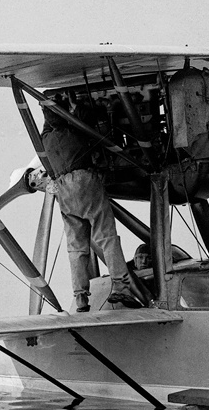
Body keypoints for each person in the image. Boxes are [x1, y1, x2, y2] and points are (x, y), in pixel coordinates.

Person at [40, 94, 139, 311]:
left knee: (76, 248)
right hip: (84, 181)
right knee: (107, 237)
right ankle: (121, 287)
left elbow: (51, 122)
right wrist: (78, 106)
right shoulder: (75, 131)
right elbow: (87, 120)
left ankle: (81, 299)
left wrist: (51, 106)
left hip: (62, 188)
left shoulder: (46, 138)